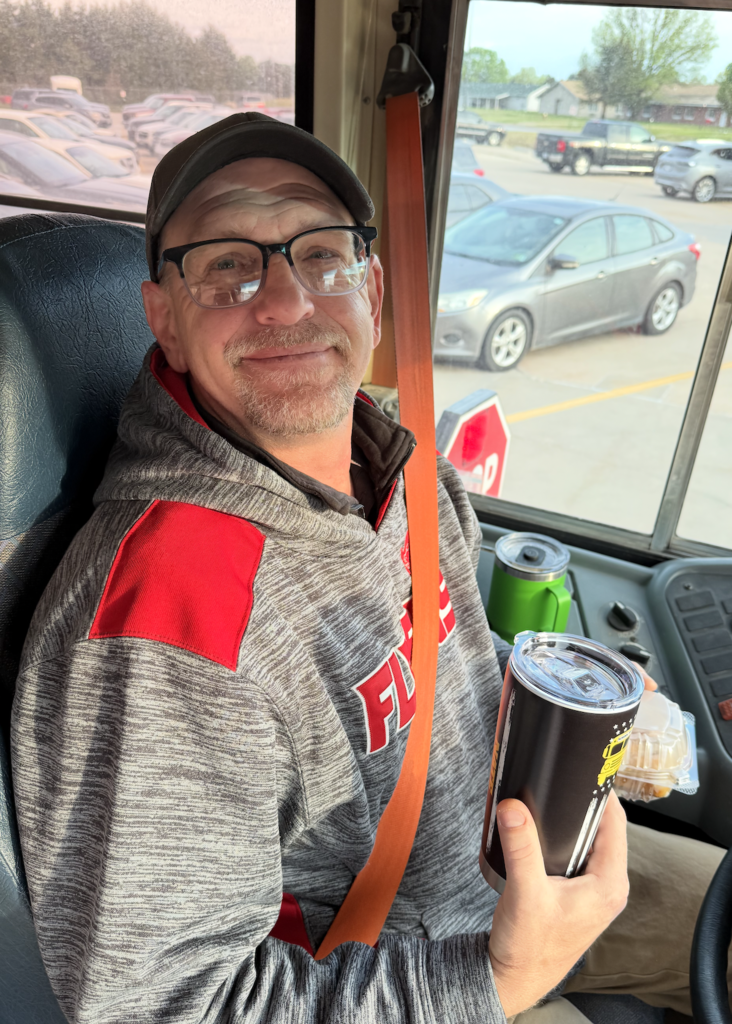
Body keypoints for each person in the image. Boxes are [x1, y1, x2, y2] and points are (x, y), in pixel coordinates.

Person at [11, 112, 730, 1024]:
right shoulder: (166, 624)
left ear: (373, 293)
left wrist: (556, 696)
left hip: (506, 858)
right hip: (404, 979)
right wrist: (493, 981)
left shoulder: (396, 462)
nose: (284, 302)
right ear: (164, 318)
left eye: (321, 255)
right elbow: (165, 1007)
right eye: (227, 265)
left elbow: (443, 652)